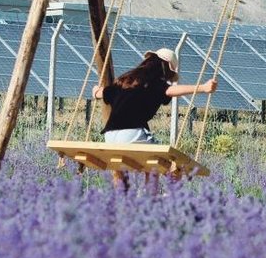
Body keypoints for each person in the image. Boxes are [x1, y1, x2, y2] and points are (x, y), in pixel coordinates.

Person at [91, 48, 217, 190]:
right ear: (166, 69)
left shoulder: (125, 80)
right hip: (132, 134)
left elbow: (102, 92)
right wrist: (202, 88)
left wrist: (95, 91)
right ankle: (151, 202)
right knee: (158, 162)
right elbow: (170, 91)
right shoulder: (154, 82)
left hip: (110, 136)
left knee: (122, 167)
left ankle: (121, 198)